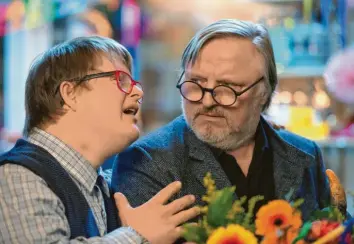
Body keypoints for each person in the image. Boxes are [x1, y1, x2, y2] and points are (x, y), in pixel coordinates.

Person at [111, 19, 332, 221]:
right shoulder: (144, 162)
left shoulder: (305, 155)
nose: (207, 101)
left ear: (264, 92)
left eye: (227, 87)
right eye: (195, 82)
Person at [0, 36, 199, 243]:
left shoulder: (103, 188)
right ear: (70, 94)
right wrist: (137, 235)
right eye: (121, 80)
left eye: (134, 82)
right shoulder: (17, 175)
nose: (138, 92)